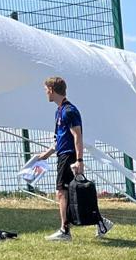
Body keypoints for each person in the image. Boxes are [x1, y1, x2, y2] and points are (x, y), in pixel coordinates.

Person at [34, 76, 112, 241]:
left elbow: (77, 136)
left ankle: (65, 230)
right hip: (63, 154)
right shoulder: (59, 111)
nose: (45, 93)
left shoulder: (69, 111)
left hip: (69, 156)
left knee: (61, 192)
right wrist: (46, 154)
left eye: (46, 90)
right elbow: (60, 138)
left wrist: (79, 160)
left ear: (52, 90)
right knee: (73, 193)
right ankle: (100, 222)